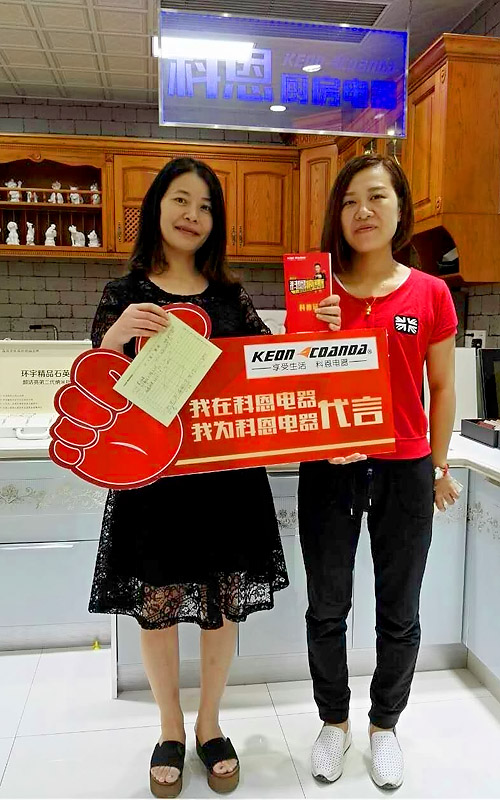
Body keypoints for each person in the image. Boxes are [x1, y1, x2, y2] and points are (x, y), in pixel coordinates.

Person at [88, 157, 289, 798]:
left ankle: (210, 724)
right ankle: (170, 727)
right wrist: (115, 339)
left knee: (221, 604)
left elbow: (270, 366)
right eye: (181, 200)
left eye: (205, 206)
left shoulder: (230, 296)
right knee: (158, 606)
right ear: (157, 207)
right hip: (154, 482)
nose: (192, 216)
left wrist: (320, 331)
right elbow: (97, 390)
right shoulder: (124, 294)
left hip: (226, 482)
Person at [299, 153, 460, 789]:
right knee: (326, 606)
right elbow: (294, 386)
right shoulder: (315, 289)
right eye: (348, 202)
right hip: (329, 469)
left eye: (376, 197)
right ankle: (333, 723)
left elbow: (442, 388)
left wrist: (439, 465)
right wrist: (312, 332)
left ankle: (384, 726)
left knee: (400, 609)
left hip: (405, 468)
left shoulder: (430, 293)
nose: (362, 212)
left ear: (400, 209)